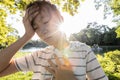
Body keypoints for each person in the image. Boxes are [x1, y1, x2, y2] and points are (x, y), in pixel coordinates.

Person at [0, 0, 108, 80]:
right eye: (35, 27)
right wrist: (27, 36)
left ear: (60, 19)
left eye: (46, 22)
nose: (43, 31)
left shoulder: (83, 51)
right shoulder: (38, 56)